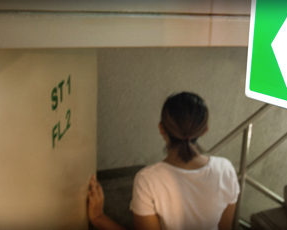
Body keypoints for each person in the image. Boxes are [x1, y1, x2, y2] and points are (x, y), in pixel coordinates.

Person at [88, 92, 240, 230]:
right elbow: (224, 227)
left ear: (161, 128)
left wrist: (98, 218)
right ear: (204, 130)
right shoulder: (225, 169)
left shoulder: (147, 179)